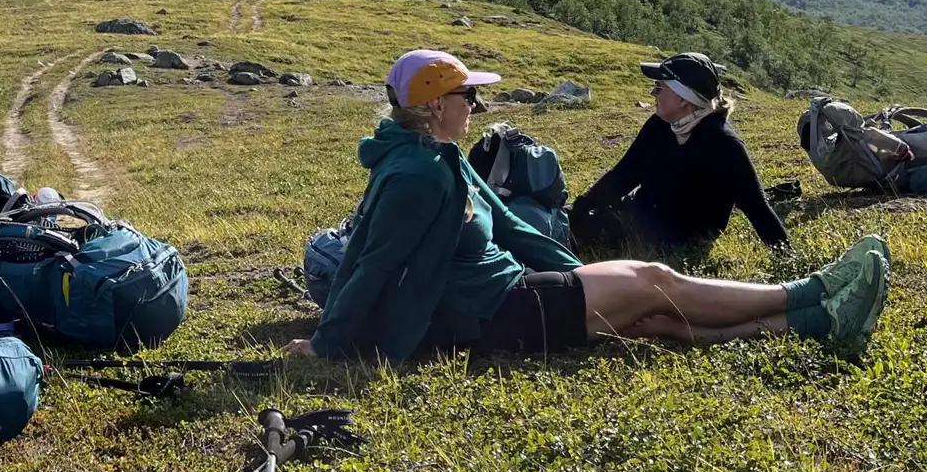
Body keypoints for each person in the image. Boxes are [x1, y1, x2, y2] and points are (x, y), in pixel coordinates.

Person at [283, 49, 888, 367]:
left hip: (511, 292)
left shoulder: (439, 153)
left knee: (651, 319)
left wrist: (574, 267)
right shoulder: (414, 173)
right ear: (436, 105)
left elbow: (514, 223)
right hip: (488, 314)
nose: (476, 107)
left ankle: (816, 322)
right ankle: (809, 290)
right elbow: (371, 260)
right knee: (652, 282)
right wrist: (328, 342)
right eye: (469, 96)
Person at [569, 53, 789, 253]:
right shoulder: (660, 125)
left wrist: (787, 257)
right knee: (567, 217)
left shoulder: (724, 144)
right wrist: (580, 207)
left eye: (659, 87)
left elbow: (756, 207)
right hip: (640, 215)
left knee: (577, 233)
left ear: (684, 99)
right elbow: (624, 174)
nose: (653, 93)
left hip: (679, 236)